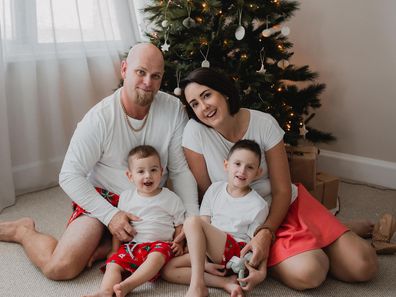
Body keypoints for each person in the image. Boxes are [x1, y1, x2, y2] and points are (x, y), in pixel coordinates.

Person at [163, 67, 378, 292]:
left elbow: (282, 190)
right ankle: (319, 238)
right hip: (246, 222)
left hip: (284, 206)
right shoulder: (194, 133)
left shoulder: (263, 123)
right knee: (310, 273)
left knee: (364, 265)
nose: (203, 107)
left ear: (224, 92)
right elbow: (209, 193)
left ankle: (325, 231)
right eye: (194, 103)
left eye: (206, 95)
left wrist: (266, 232)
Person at [0, 43, 198, 280]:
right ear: (124, 70)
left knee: (178, 252)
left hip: (149, 200)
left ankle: (107, 244)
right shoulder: (99, 119)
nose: (148, 82)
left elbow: (180, 171)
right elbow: (69, 175)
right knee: (60, 268)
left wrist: (190, 219)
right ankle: (23, 231)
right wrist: (109, 216)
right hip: (103, 200)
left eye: (155, 76)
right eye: (140, 72)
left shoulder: (173, 109)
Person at [162, 139, 270, 297]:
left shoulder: (258, 205)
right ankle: (224, 283)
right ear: (226, 165)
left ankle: (197, 286)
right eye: (237, 164)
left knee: (192, 221)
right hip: (211, 253)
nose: (242, 171)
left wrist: (262, 272)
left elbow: (258, 244)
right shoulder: (214, 190)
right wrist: (204, 262)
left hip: (235, 253)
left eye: (250, 167)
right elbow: (204, 224)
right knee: (168, 269)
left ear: (258, 173)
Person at [85, 145, 185, 297]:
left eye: (153, 170)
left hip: (160, 245)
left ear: (162, 171)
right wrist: (114, 249)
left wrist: (178, 242)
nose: (148, 176)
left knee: (156, 257)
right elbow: (120, 227)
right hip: (133, 246)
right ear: (130, 176)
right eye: (141, 171)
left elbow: (179, 224)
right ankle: (105, 291)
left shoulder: (170, 198)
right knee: (113, 264)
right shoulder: (126, 198)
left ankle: (128, 285)